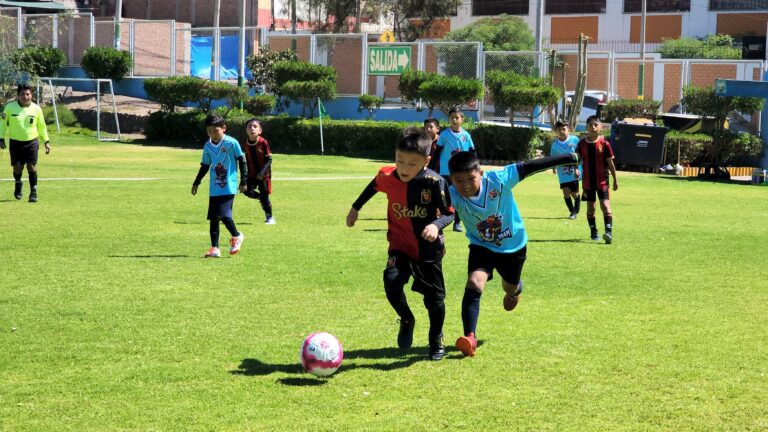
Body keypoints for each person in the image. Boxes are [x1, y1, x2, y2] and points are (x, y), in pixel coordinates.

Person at [447, 150, 579, 357]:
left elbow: (530, 167)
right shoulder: (451, 195)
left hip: (514, 246)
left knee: (510, 286)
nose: (465, 185)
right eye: (458, 180)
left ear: (480, 173)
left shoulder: (498, 179)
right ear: (451, 179)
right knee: (474, 282)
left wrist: (565, 159)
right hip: (482, 246)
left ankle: (514, 292)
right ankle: (470, 337)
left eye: (470, 178)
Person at [346, 127, 454, 361]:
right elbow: (372, 186)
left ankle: (436, 338)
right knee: (392, 283)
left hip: (428, 250)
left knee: (434, 300)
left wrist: (435, 225)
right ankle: (406, 319)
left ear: (426, 161)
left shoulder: (434, 182)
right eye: (399, 160)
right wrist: (355, 208)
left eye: (412, 163)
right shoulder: (387, 176)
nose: (404, 168)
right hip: (399, 245)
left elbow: (449, 213)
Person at [191, 114, 247, 258]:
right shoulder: (208, 146)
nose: (213, 134)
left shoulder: (231, 143)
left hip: (229, 185)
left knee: (223, 214)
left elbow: (242, 161)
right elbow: (205, 165)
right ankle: (214, 248)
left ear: (223, 128)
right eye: (209, 131)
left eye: (215, 131)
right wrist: (197, 182)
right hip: (214, 187)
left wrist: (244, 181)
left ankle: (237, 235)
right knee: (214, 218)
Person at [0, 84, 51, 202]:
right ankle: (18, 183)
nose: (25, 96)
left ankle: (33, 192)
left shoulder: (37, 109)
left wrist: (46, 141)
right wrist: (1, 138)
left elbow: (42, 126)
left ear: (31, 95)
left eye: (27, 94)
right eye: (22, 94)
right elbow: (2, 123)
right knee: (17, 168)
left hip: (32, 142)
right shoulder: (9, 107)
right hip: (15, 143)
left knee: (31, 167)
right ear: (18, 95)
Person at [575, 115, 618, 244]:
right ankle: (593, 231)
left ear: (600, 127)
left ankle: (608, 233)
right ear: (586, 127)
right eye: (590, 125)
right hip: (588, 182)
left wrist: (615, 179)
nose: (593, 127)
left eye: (595, 125)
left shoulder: (605, 144)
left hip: (602, 181)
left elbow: (610, 163)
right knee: (591, 208)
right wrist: (576, 169)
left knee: (605, 205)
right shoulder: (582, 144)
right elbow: (577, 160)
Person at [436, 108, 475, 232]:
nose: (454, 119)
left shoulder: (466, 135)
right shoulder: (444, 135)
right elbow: (437, 152)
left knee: (460, 196)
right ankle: (440, 221)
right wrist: (433, 168)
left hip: (461, 172)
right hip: (446, 172)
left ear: (462, 119)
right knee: (444, 197)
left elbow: (472, 152)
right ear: (449, 119)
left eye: (457, 117)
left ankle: (457, 222)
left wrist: (474, 167)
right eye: (452, 117)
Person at [242, 118, 275, 224]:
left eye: (255, 126)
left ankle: (270, 217)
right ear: (246, 130)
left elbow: (269, 159)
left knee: (265, 196)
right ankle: (260, 198)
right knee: (246, 191)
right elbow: (244, 160)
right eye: (249, 126)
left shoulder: (263, 142)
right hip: (251, 174)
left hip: (264, 175)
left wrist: (262, 172)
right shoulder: (245, 144)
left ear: (260, 130)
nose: (252, 128)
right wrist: (244, 176)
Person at [550, 121, 582, 219]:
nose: (562, 131)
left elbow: (580, 154)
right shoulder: (554, 145)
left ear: (569, 130)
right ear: (556, 131)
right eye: (559, 130)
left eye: (564, 129)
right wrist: (553, 168)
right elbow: (553, 158)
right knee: (566, 192)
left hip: (574, 171)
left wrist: (578, 168)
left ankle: (577, 200)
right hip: (562, 173)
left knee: (574, 193)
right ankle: (572, 212)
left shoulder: (575, 140)